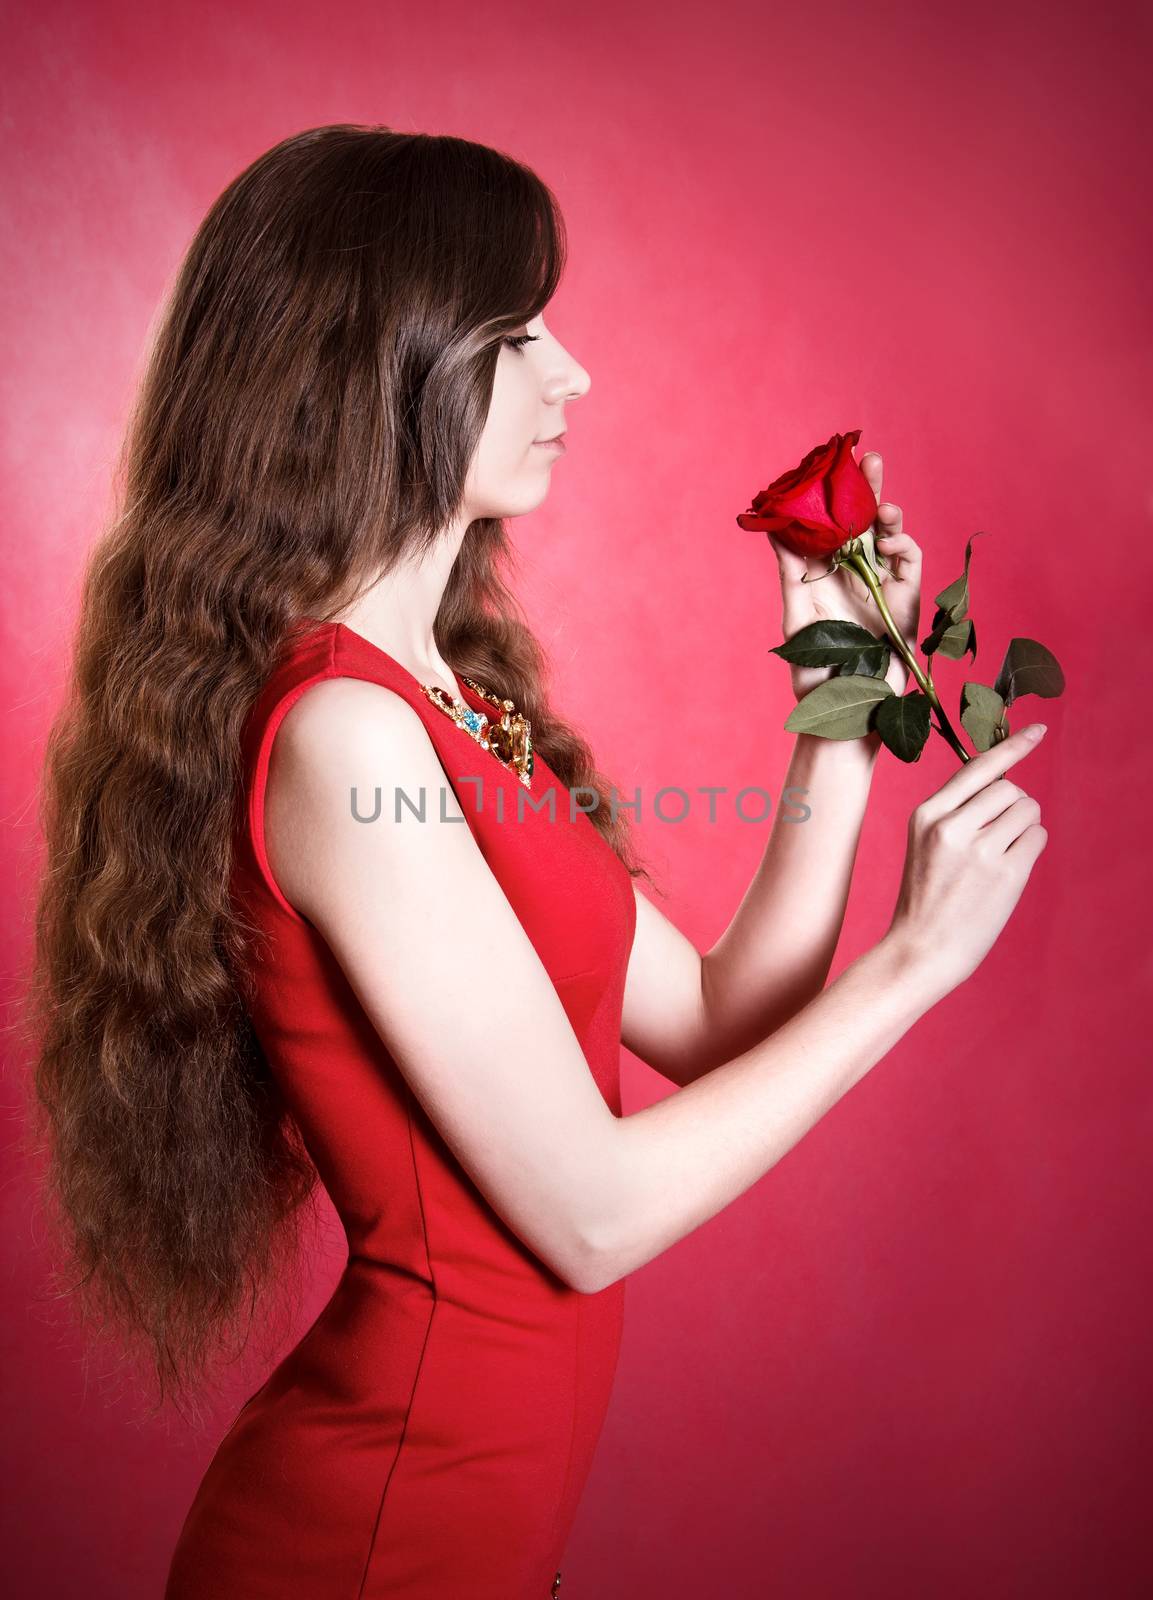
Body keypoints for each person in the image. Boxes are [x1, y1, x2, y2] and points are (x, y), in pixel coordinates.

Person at [23, 124, 1049, 1600]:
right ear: (375, 367)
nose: (570, 374)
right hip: (375, 1542)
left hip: (475, 1534)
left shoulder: (453, 702)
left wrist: (840, 711)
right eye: (515, 335)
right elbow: (589, 1219)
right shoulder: (344, 738)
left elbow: (712, 1025)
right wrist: (915, 964)